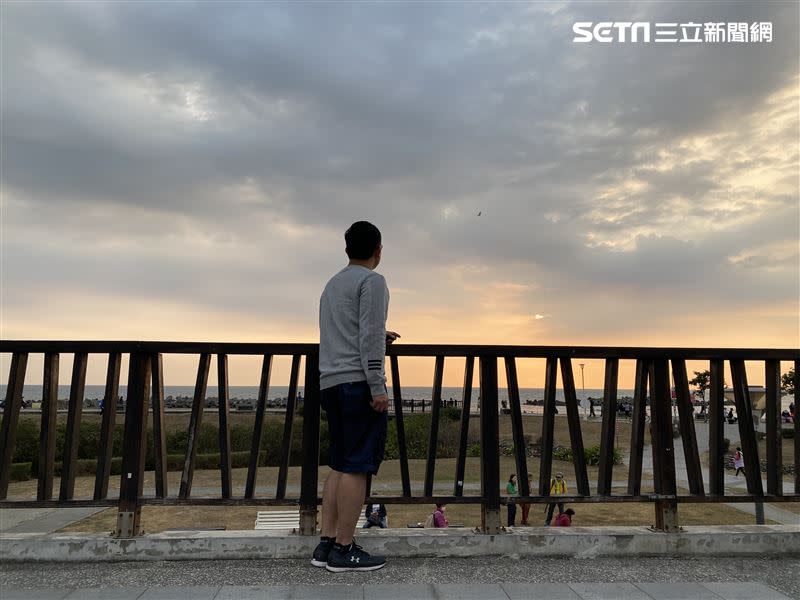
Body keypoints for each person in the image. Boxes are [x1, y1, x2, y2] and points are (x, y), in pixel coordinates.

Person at [311, 221, 400, 573]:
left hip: (331, 382)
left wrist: (378, 334)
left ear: (347, 249)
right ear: (378, 249)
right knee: (358, 468)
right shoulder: (372, 281)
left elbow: (352, 328)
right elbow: (367, 339)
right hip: (357, 385)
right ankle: (345, 549)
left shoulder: (333, 284)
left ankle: (327, 542)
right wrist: (377, 387)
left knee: (339, 464)